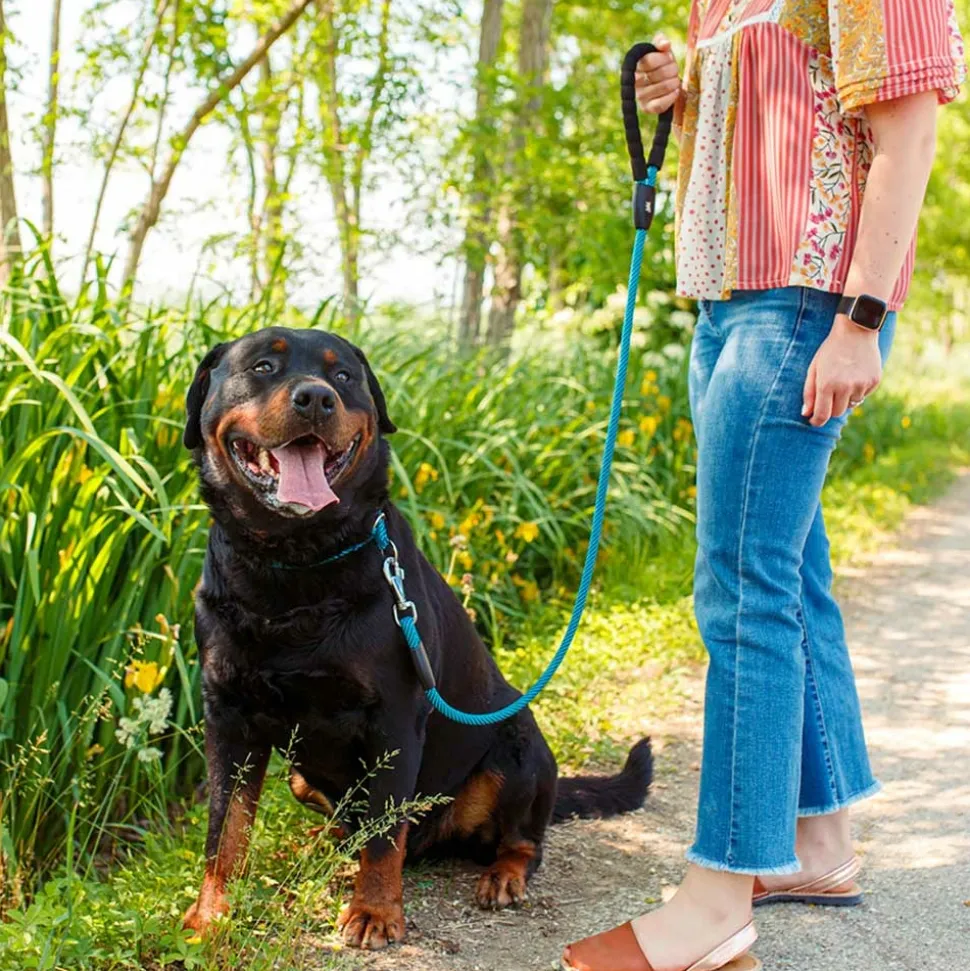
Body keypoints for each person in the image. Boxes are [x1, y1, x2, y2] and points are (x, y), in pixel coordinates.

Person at [561, 3, 966, 971]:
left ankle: (717, 898)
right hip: (730, 301)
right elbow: (783, 113)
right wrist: (685, 85)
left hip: (807, 301)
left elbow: (907, 130)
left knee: (741, 592)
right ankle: (818, 843)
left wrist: (862, 318)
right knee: (788, 577)